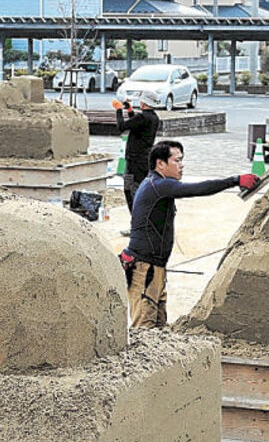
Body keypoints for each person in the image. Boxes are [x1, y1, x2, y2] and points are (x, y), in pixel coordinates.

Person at [120, 140, 259, 328]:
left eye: (181, 160)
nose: (181, 165)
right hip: (145, 268)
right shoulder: (157, 185)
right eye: (176, 160)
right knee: (143, 328)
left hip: (154, 267)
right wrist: (234, 180)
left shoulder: (158, 185)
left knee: (158, 328)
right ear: (160, 164)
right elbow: (196, 189)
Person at [111, 96, 160, 209]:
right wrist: (130, 111)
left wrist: (118, 110)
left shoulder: (142, 117)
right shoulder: (153, 117)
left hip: (134, 161)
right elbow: (135, 125)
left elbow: (121, 127)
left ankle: (136, 219)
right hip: (145, 159)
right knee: (141, 188)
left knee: (129, 189)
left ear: (143, 103)